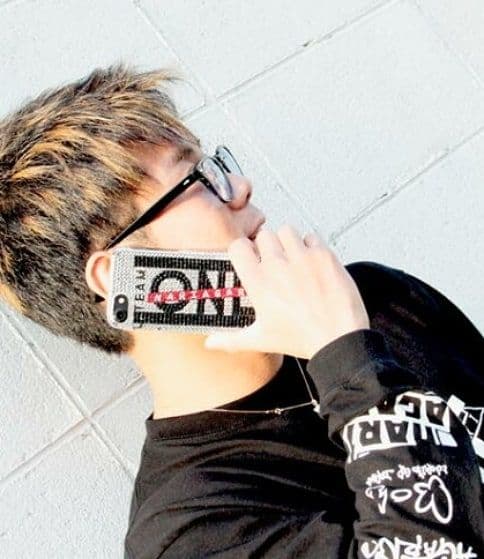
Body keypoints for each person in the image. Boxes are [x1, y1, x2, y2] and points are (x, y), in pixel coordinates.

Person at [0, 63, 482, 558]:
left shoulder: (373, 301)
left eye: (216, 166)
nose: (240, 186)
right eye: (196, 179)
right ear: (121, 276)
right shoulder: (195, 529)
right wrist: (346, 361)